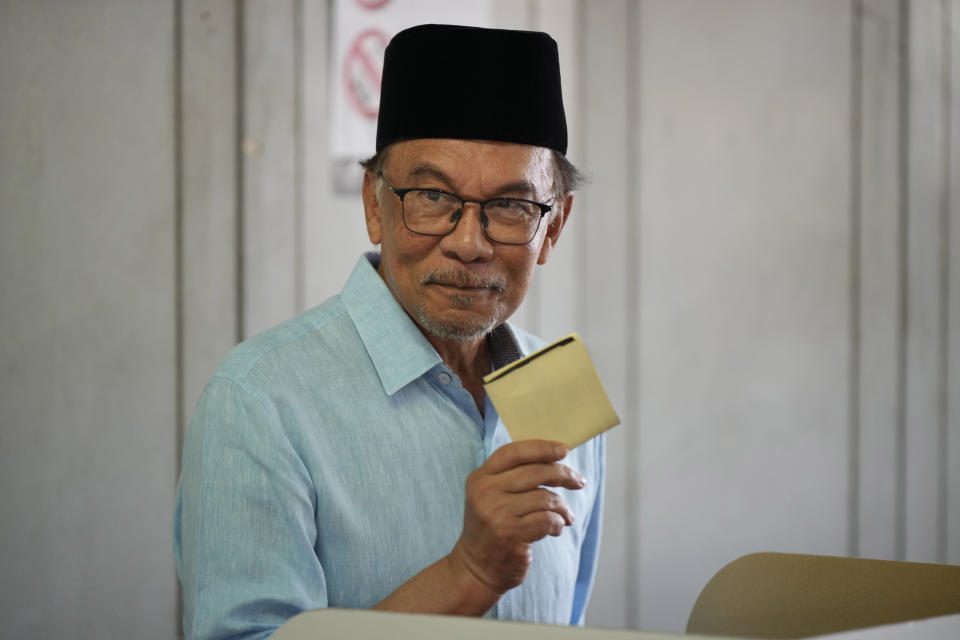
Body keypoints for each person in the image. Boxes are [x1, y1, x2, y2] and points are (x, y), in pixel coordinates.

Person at [174, 23, 605, 640]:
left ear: (554, 226)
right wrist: (470, 572)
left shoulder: (561, 384)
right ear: (375, 206)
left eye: (512, 206)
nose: (467, 243)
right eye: (432, 196)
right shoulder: (259, 400)